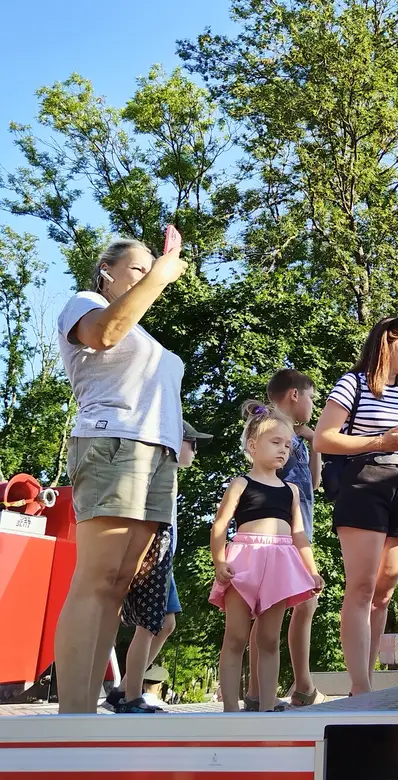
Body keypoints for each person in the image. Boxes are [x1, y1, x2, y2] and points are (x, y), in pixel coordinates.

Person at [54, 235, 187, 713]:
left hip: (156, 457)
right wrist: (162, 272)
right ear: (107, 270)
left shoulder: (147, 337)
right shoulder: (86, 303)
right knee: (96, 578)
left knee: (117, 585)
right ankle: (72, 719)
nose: (149, 276)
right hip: (113, 444)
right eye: (138, 269)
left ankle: (85, 711)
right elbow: (105, 334)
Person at [313, 315, 398, 696]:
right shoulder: (354, 383)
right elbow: (323, 439)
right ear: (387, 342)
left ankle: (365, 679)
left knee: (384, 593)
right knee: (362, 587)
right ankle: (360, 687)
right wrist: (379, 442)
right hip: (365, 481)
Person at [209, 401, 324, 713]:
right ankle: (230, 707)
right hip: (244, 562)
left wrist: (311, 571)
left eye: (287, 444)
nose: (283, 450)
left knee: (270, 639)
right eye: (275, 442)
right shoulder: (240, 483)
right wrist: (219, 561)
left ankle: (268, 705)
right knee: (235, 637)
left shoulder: (291, 491)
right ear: (252, 445)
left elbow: (299, 534)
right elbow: (220, 525)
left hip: (279, 564)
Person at [106, 419, 212, 713]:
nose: (195, 451)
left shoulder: (169, 477)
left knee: (165, 624)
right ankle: (131, 698)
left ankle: (125, 688)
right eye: (193, 444)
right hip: (153, 556)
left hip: (165, 559)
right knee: (148, 626)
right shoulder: (156, 475)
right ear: (175, 444)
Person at [243, 369, 325, 711]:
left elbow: (316, 483)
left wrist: (314, 441)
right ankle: (281, 687)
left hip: (300, 528)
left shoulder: (295, 440)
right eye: (311, 398)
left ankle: (275, 688)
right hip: (282, 534)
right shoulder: (275, 434)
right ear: (294, 395)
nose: (312, 406)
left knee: (303, 604)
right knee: (281, 606)